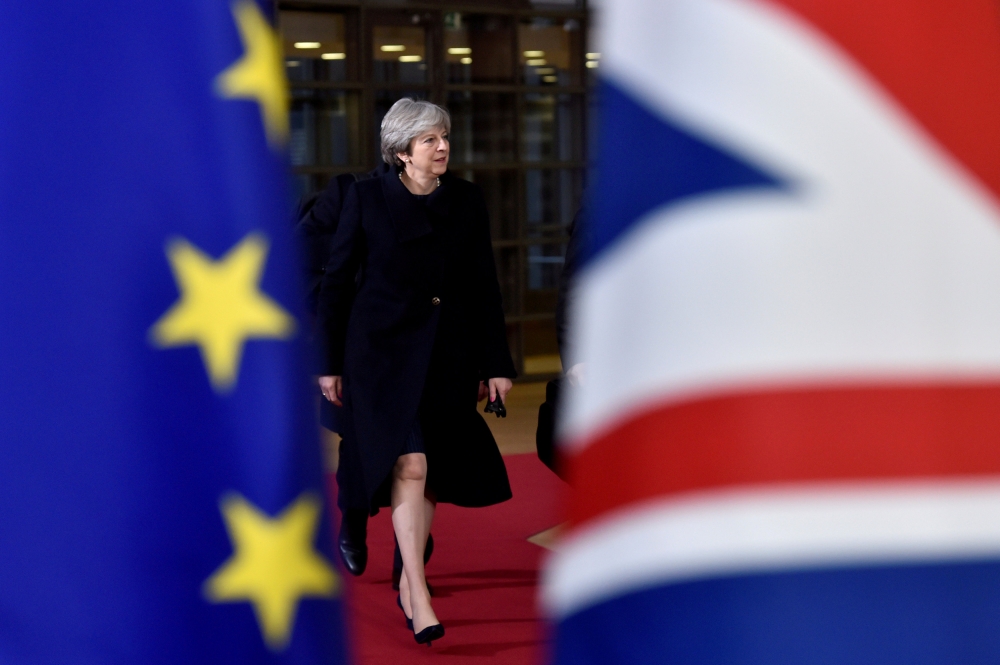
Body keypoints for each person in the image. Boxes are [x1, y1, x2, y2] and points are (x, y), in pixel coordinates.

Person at [316, 98, 516, 646]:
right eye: (430, 139)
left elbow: (484, 287)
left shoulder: (467, 200)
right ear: (402, 152)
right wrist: (327, 364)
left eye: (445, 136)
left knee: (431, 473)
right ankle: (417, 591)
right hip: (379, 358)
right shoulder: (366, 199)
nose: (443, 146)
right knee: (411, 463)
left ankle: (408, 577)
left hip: (446, 358)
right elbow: (337, 285)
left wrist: (496, 363)